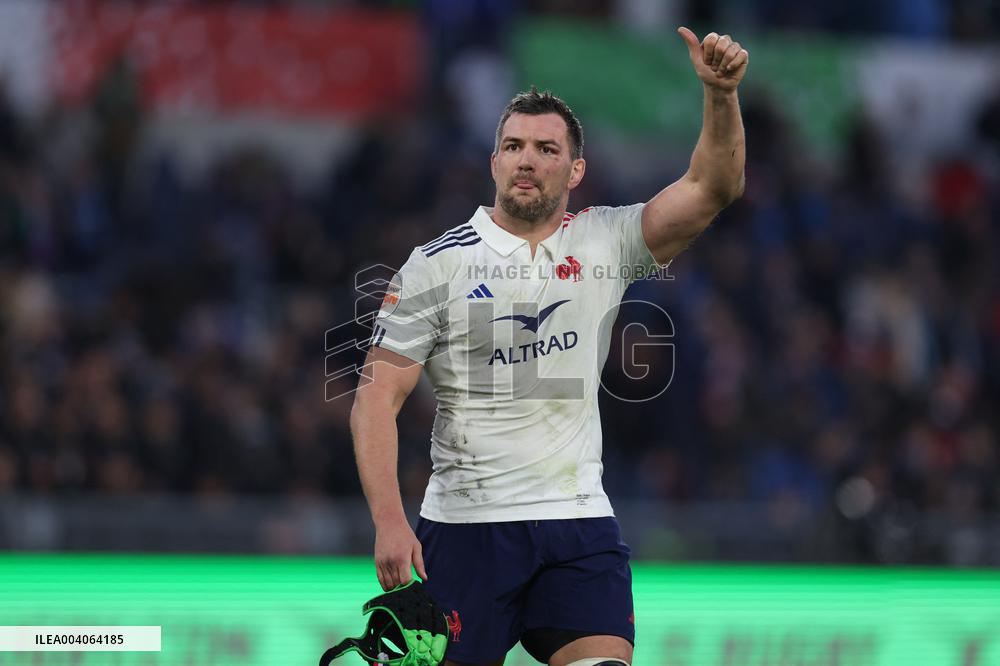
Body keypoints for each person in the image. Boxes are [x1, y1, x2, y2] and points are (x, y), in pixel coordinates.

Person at [350, 27, 748, 666]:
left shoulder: (605, 241)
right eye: (512, 146)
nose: (526, 159)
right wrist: (390, 523)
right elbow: (375, 400)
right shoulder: (436, 266)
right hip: (465, 530)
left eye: (544, 148)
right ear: (494, 163)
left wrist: (721, 94)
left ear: (576, 168)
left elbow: (713, 188)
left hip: (578, 522)